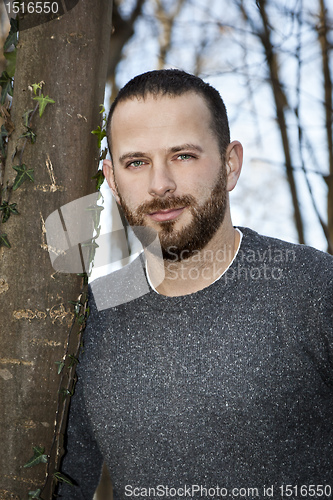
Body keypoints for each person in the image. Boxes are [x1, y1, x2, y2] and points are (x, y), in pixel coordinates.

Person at [58, 69, 333, 499]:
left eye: (183, 155)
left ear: (230, 164)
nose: (159, 184)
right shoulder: (91, 315)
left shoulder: (315, 288)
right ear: (112, 179)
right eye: (136, 162)